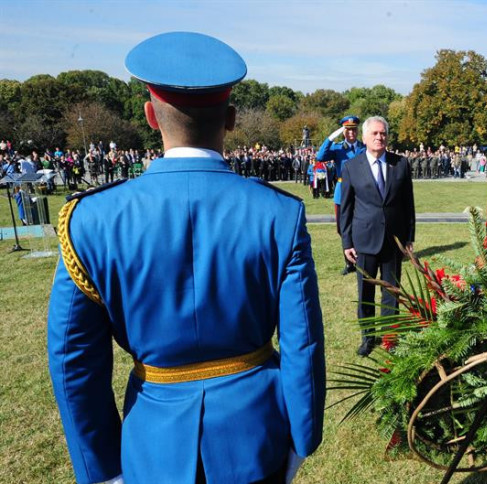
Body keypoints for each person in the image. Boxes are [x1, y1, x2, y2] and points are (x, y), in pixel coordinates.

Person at [47, 32, 325, 484]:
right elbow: (303, 344)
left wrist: (101, 470)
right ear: (232, 118)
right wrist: (299, 439)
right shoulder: (279, 213)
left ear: (150, 116)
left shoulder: (91, 219)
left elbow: (72, 358)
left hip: (151, 446)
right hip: (257, 437)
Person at [339, 116, 415, 357]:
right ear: (364, 138)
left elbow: (408, 204)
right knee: (366, 292)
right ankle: (368, 337)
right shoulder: (352, 167)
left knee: (391, 291)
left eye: (383, 133)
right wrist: (346, 242)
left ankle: (390, 337)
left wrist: (409, 238)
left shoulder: (400, 164)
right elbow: (346, 208)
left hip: (394, 241)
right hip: (364, 241)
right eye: (375, 133)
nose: (380, 137)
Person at [317, 115, 366, 274]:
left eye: (354, 129)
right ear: (343, 131)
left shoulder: (363, 148)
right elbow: (320, 156)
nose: (351, 133)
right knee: (342, 227)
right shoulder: (338, 148)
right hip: (342, 191)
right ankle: (349, 262)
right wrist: (332, 137)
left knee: (360, 226)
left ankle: (360, 260)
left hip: (360, 191)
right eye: (348, 130)